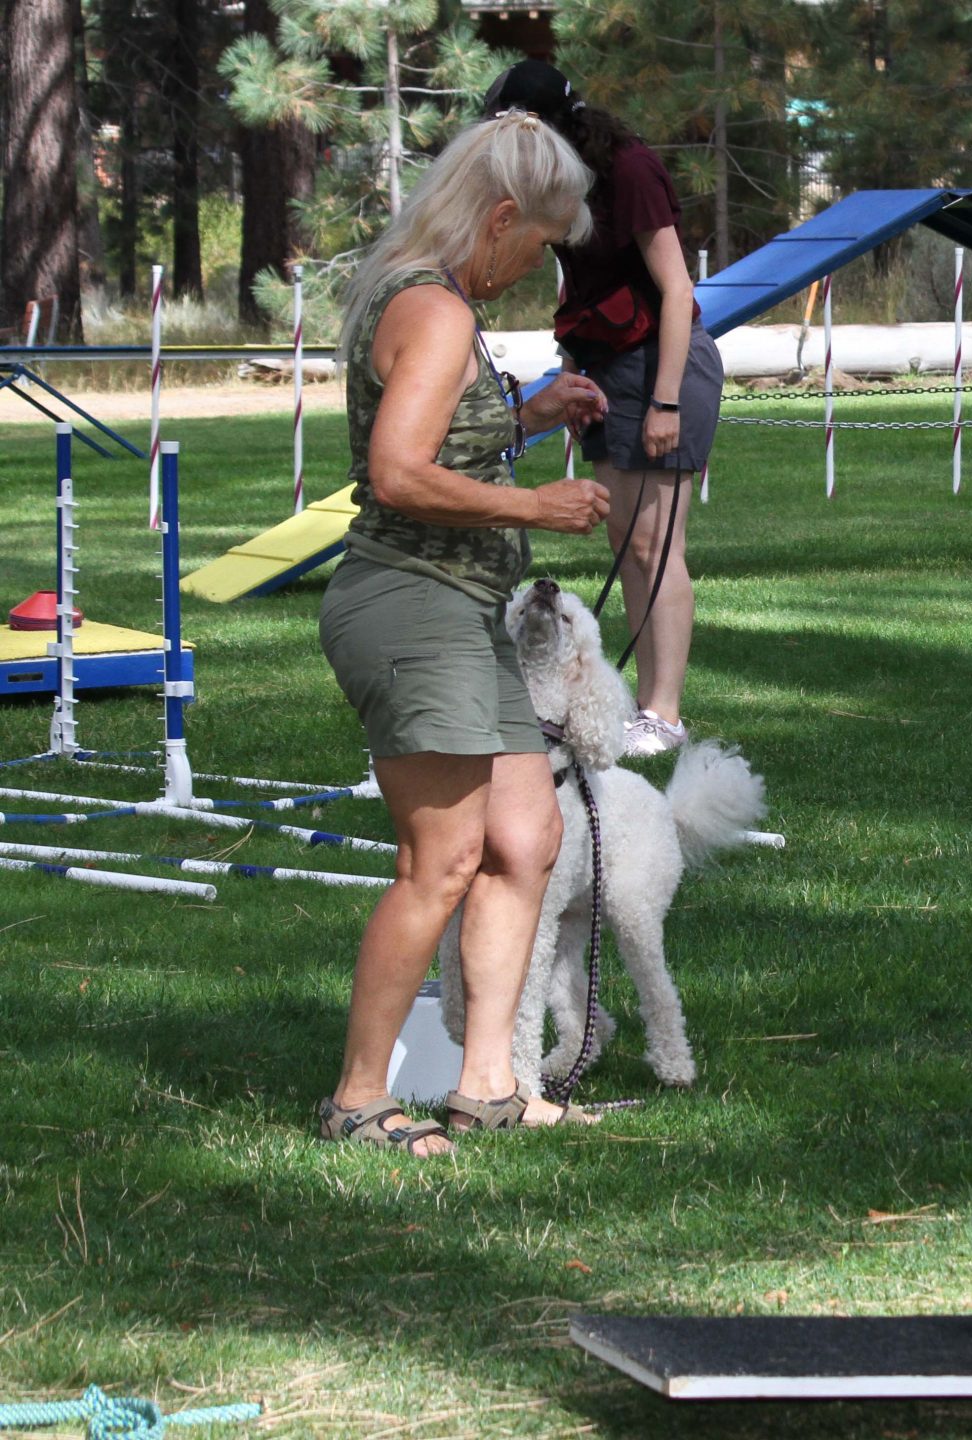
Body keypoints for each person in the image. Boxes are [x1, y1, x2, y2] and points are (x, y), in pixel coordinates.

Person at [313, 112, 615, 1155]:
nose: (535, 271)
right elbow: (395, 472)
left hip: (461, 609)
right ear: (496, 219)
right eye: (534, 247)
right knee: (437, 860)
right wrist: (536, 506)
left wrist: (526, 417)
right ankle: (358, 1100)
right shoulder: (435, 310)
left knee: (528, 838)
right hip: (411, 604)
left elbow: (438, 433)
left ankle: (487, 1083)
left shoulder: (427, 296)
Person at [484, 60, 723, 759]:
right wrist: (571, 375)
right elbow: (580, 288)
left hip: (662, 364)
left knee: (656, 545)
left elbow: (677, 292)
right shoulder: (559, 182)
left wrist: (666, 401)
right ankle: (644, 710)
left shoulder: (631, 169)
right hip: (604, 366)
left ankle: (664, 712)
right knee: (628, 545)